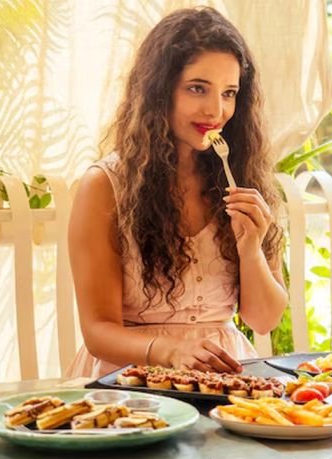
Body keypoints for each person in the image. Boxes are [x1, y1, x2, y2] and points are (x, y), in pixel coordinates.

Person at [66, 7, 287, 379]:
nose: (216, 110)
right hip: (128, 377)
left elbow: (263, 320)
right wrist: (170, 351)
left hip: (222, 374)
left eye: (229, 93)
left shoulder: (243, 179)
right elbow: (97, 332)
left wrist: (251, 250)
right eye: (197, 88)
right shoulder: (105, 186)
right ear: (159, 91)